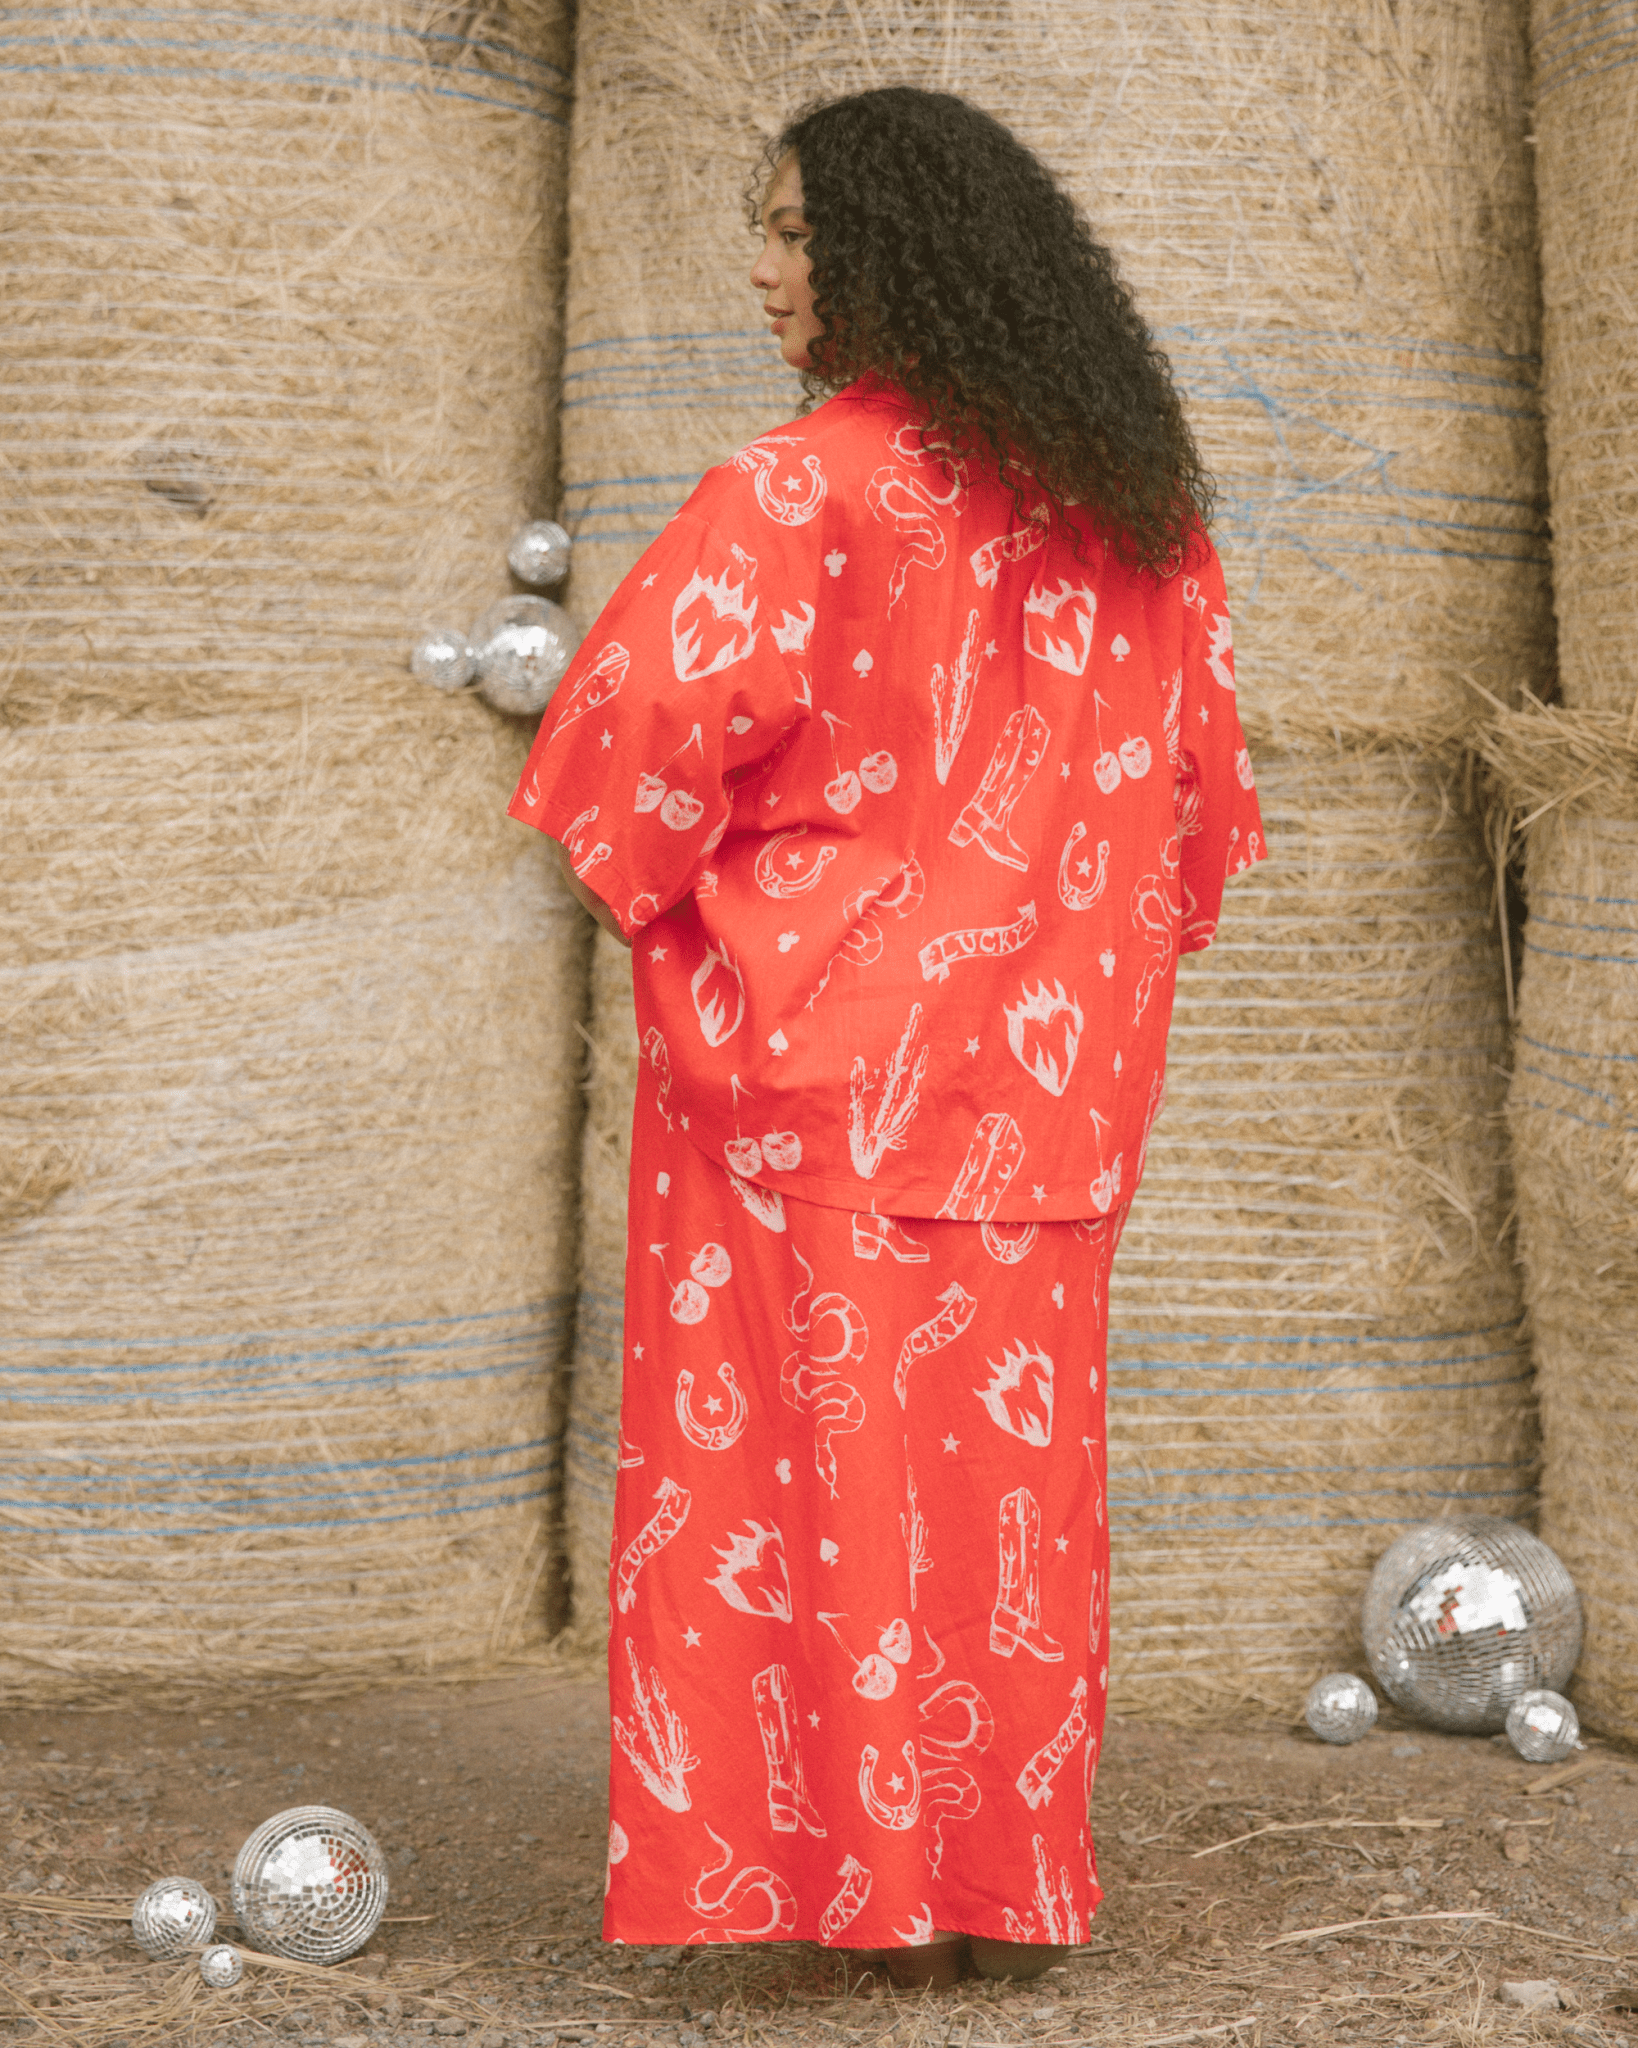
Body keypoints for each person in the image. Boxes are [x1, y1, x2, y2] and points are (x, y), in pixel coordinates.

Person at [510, 86, 1264, 1988]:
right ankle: (1003, 1891)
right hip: (1046, 1107)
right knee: (1006, 1512)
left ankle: (860, 1902)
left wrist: (723, 932)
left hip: (817, 1099)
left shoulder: (797, 489)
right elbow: (1198, 827)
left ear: (894, 256)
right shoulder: (1141, 515)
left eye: (793, 233)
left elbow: (615, 758)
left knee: (809, 1500)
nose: (765, 274)